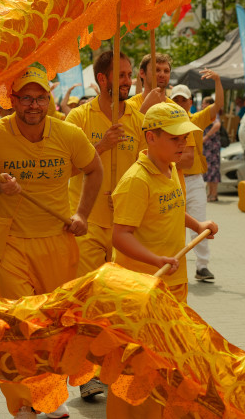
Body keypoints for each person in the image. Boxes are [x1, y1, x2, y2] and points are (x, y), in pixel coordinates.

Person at [0, 64, 103, 419]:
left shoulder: (68, 134)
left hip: (58, 241)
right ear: (13, 100)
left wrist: (82, 214)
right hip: (12, 243)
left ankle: (47, 399)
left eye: (40, 97)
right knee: (19, 325)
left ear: (49, 99)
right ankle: (25, 403)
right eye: (26, 98)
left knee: (53, 328)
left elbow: (94, 169)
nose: (34, 105)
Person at [110, 102, 219, 416]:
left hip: (173, 286)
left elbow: (170, 207)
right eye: (175, 138)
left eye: (184, 136)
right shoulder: (136, 181)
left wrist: (197, 225)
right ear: (150, 137)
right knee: (136, 367)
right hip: (142, 291)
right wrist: (154, 258)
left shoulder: (170, 168)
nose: (183, 143)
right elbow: (120, 236)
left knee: (170, 363)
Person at [65, 50, 146, 401]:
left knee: (122, 303)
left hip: (124, 227)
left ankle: (119, 369)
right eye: (123, 75)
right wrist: (101, 146)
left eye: (130, 75)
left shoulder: (140, 119)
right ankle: (86, 375)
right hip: (87, 225)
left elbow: (148, 166)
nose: (129, 81)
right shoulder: (79, 118)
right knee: (89, 302)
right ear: (102, 79)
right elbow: (65, 167)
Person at [170, 73, 224, 282]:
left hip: (193, 180)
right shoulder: (166, 124)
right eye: (176, 100)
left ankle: (202, 266)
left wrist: (217, 81)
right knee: (172, 223)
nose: (180, 104)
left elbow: (218, 104)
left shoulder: (196, 119)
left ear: (190, 102)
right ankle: (172, 263)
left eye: (183, 100)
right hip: (172, 178)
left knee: (200, 221)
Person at [201, 96, 222, 202]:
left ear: (209, 104)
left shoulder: (213, 113)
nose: (202, 105)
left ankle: (214, 193)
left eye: (204, 103)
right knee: (208, 170)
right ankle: (210, 193)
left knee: (213, 170)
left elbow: (217, 125)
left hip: (212, 146)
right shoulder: (206, 114)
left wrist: (206, 137)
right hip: (207, 146)